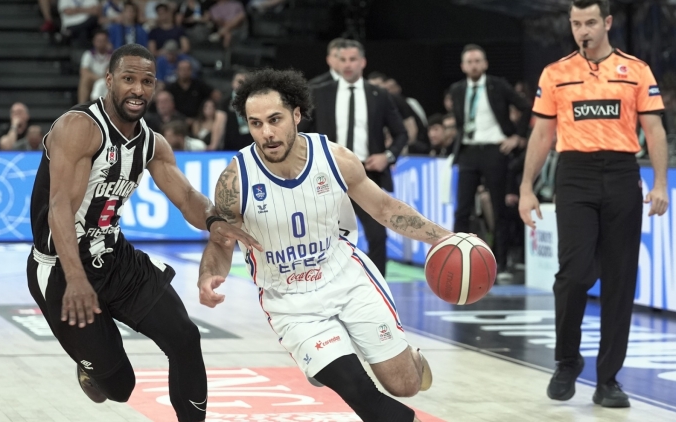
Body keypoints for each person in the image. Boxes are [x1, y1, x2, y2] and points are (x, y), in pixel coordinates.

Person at [197, 68, 451, 422]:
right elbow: (222, 240)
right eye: (256, 124)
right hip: (289, 300)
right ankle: (325, 356)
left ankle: (403, 356)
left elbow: (384, 208)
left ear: (296, 114)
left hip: (346, 279)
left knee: (405, 386)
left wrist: (445, 237)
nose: (266, 133)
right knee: (360, 393)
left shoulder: (335, 158)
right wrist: (208, 274)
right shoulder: (235, 179)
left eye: (275, 120)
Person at [26, 44, 260, 422]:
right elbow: (59, 210)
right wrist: (76, 278)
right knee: (120, 388)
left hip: (114, 256)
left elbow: (186, 196)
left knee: (185, 337)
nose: (138, 89)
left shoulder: (152, 143)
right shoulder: (79, 128)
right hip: (60, 267)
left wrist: (215, 221)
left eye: (147, 81)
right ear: (109, 81)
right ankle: (91, 366)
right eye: (128, 79)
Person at [519, 0, 669, 408]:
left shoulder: (636, 70)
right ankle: (567, 360)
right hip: (575, 175)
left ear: (607, 23)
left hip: (622, 173)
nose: (582, 30)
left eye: (589, 22)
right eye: (575, 23)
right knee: (573, 273)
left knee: (620, 280)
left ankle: (608, 381)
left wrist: (660, 183)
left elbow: (654, 130)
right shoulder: (555, 73)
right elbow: (542, 135)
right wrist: (527, 187)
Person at [302, 39, 409, 277]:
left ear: (363, 62)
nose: (348, 64)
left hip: (367, 174)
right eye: (343, 59)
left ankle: (378, 287)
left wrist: (387, 156)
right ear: (336, 62)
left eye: (352, 59)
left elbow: (401, 133)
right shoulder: (320, 93)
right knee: (321, 237)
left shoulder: (379, 95)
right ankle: (323, 286)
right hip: (328, 174)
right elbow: (302, 132)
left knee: (377, 235)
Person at [449, 43, 531, 282]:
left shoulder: (498, 85)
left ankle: (500, 263)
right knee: (462, 209)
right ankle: (459, 262)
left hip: (495, 149)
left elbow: (526, 106)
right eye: (469, 62)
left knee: (498, 208)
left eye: (477, 61)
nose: (474, 65)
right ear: (463, 66)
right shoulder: (457, 89)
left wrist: (517, 136)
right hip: (468, 150)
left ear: (485, 64)